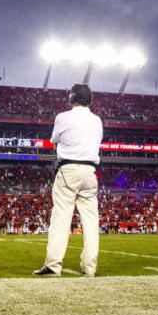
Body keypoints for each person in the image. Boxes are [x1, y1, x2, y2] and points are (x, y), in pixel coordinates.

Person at [33, 84, 103, 277]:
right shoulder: (97, 120)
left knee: (61, 218)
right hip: (90, 171)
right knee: (90, 221)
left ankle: (53, 265)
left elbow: (54, 140)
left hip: (68, 169)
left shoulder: (63, 117)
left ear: (72, 98)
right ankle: (89, 268)